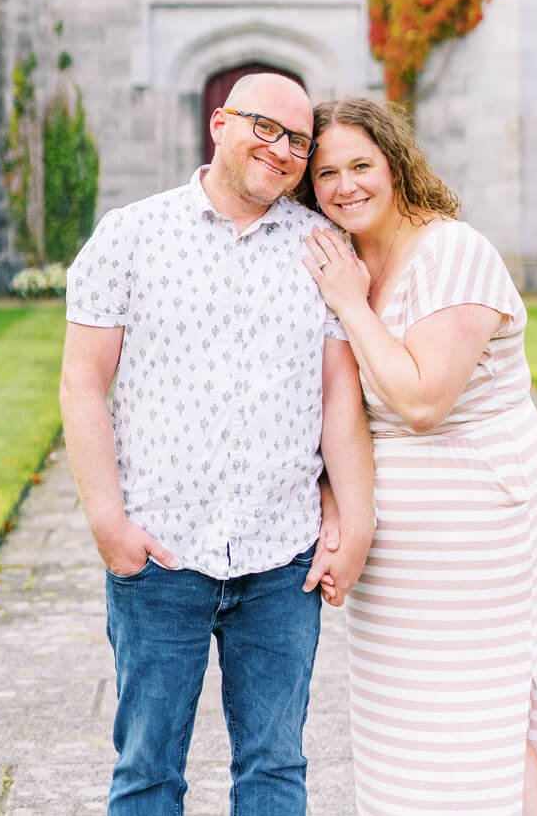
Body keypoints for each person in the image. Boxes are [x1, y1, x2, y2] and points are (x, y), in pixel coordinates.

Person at [60, 72, 375, 815]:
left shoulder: (323, 251)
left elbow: (339, 398)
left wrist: (353, 520)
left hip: (281, 560)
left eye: (298, 141)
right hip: (162, 555)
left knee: (274, 769)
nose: (283, 150)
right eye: (266, 128)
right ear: (220, 123)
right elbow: (82, 384)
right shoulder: (131, 236)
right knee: (147, 771)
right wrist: (110, 524)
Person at [302, 97, 537, 816]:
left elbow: (423, 403)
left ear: (396, 165)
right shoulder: (345, 254)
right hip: (395, 539)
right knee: (407, 716)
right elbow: (333, 407)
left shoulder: (454, 253)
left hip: (485, 514)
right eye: (326, 172)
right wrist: (337, 507)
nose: (344, 186)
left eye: (361, 165)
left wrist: (352, 305)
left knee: (486, 713)